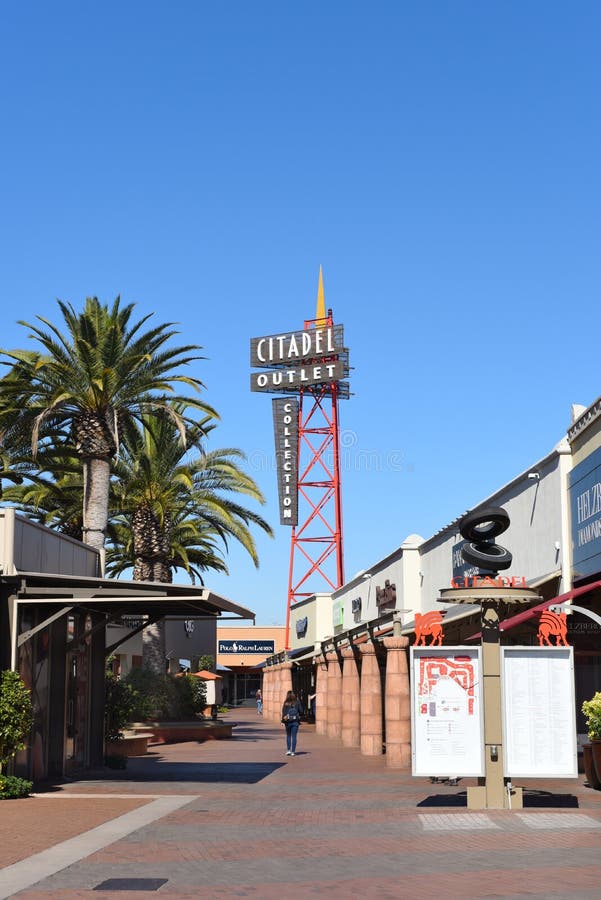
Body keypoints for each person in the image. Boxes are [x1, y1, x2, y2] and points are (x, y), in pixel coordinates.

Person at [281, 690, 303, 756]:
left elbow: (283, 712)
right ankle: (293, 751)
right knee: (294, 736)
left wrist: (282, 721)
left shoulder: (286, 702)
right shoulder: (297, 702)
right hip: (295, 721)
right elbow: (301, 711)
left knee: (288, 736)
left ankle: (288, 750)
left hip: (287, 722)